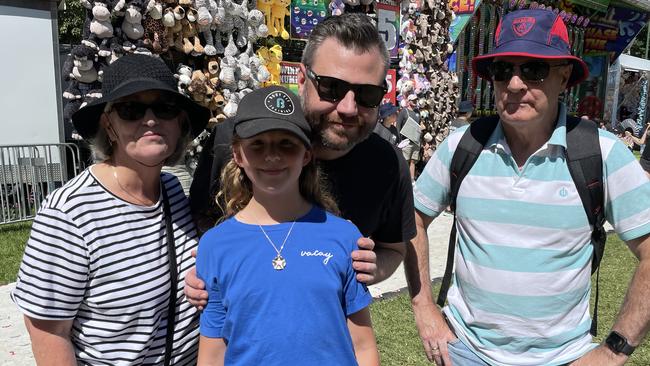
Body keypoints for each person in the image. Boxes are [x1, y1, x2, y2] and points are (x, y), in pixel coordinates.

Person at [406, 9, 650, 365]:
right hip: (465, 352)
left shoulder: (601, 153)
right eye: (503, 70)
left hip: (563, 358)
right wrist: (424, 307)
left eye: (533, 70)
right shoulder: (463, 145)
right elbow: (411, 216)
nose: (515, 84)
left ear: (564, 77)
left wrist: (614, 352)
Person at [186, 13, 415, 308]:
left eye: (367, 94)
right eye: (331, 87)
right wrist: (203, 268)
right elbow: (199, 225)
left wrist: (371, 267)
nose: (347, 108)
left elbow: (394, 248)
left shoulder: (387, 163)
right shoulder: (235, 140)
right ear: (304, 79)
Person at [11, 54, 210, 364]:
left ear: (180, 123)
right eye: (131, 109)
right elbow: (48, 330)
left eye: (165, 108)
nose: (151, 120)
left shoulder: (172, 191)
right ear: (109, 125)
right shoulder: (70, 213)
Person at [196, 86, 379, 366]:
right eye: (257, 144)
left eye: (286, 144)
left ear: (306, 155)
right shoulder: (215, 245)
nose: (272, 156)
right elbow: (212, 354)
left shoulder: (343, 236)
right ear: (237, 154)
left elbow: (363, 345)